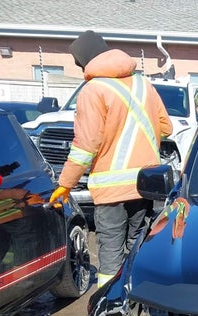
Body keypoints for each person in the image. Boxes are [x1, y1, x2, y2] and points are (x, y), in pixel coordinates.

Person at [50, 30, 172, 287]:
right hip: (145, 186)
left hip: (111, 191)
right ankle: (141, 300)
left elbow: (86, 146)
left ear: (83, 61)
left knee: (110, 256)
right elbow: (165, 127)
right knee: (137, 246)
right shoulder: (143, 84)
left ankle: (110, 315)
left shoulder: (93, 90)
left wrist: (65, 183)